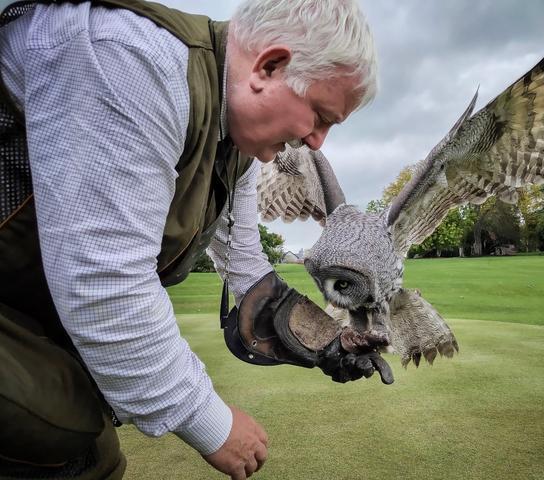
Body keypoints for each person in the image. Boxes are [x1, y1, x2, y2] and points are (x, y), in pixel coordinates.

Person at [0, 0, 385, 479]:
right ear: (270, 66)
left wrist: (331, 340)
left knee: (92, 454)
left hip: (22, 302)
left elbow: (245, 266)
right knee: (53, 421)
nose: (317, 142)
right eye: (320, 116)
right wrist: (213, 424)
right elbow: (104, 285)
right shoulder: (134, 60)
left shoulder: (238, 146)